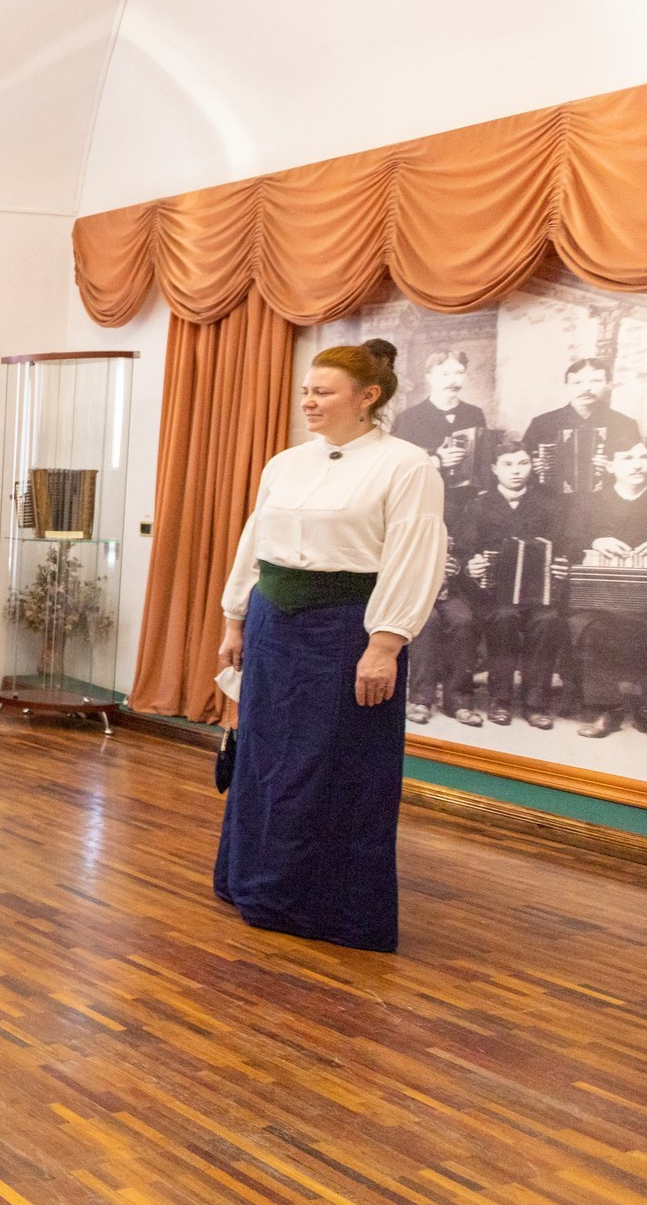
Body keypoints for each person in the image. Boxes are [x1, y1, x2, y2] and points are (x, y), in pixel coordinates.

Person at [215, 339, 447, 953]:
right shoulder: (286, 464)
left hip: (346, 629)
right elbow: (254, 543)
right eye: (306, 392)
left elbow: (414, 556)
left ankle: (326, 906)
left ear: (369, 397)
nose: (309, 402)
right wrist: (235, 619)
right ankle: (255, 883)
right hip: (273, 622)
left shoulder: (406, 465)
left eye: (323, 392)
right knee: (266, 757)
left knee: (335, 763)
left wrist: (386, 644)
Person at [558, 437, 647, 745]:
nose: (637, 464)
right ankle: (608, 709)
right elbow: (566, 547)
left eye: (644, 457)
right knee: (591, 628)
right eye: (628, 457)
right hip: (602, 602)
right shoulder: (586, 502)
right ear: (610, 465)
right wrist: (594, 542)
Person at [443, 437, 567, 729]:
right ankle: (501, 699)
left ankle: (535, 703)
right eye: (508, 464)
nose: (516, 470)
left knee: (548, 620)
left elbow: (563, 549)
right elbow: (460, 553)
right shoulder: (478, 505)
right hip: (490, 595)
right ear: (495, 469)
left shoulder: (548, 505)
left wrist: (562, 565)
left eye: (523, 463)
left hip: (538, 595)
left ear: (532, 466)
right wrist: (470, 566)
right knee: (504, 617)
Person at [522, 356, 639, 497]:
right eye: (577, 382)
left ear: (609, 384)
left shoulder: (624, 424)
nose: (586, 388)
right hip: (553, 501)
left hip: (607, 501)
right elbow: (520, 464)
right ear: (566, 386)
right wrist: (534, 467)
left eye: (596, 381)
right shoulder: (542, 423)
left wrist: (613, 467)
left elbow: (638, 467)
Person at [392, 349, 488, 492]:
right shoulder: (408, 418)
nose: (452, 380)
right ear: (429, 377)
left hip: (466, 502)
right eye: (444, 374)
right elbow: (395, 465)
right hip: (424, 497)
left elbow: (483, 461)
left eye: (459, 373)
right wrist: (436, 460)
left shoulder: (475, 414)